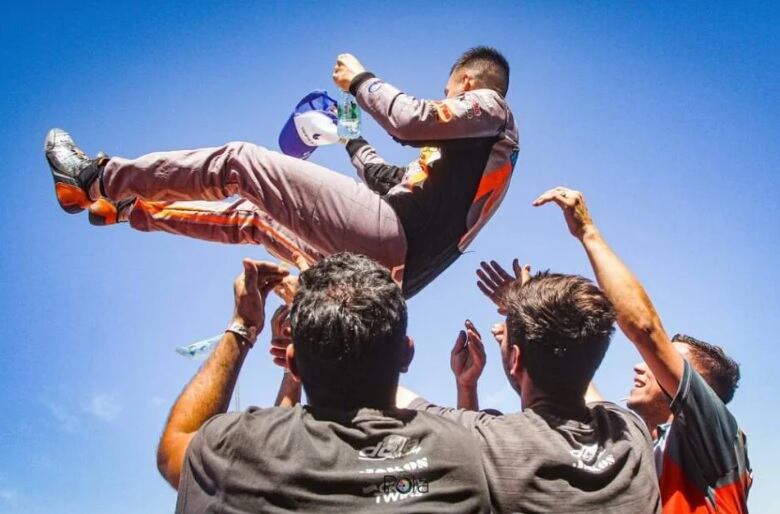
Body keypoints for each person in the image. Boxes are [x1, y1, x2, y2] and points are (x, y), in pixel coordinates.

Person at [44, 47, 518, 298]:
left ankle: (94, 179)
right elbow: (386, 179)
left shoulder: (492, 109)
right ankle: (130, 211)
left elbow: (411, 120)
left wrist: (360, 79)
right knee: (254, 221)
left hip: (390, 240)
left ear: (467, 84)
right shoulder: (462, 173)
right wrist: (347, 136)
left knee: (240, 162)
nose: (448, 99)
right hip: (386, 281)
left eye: (449, 90)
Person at [157, 252, 492, 513]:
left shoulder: (237, 455)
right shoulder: (462, 452)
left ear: (292, 363)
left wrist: (244, 324)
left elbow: (175, 446)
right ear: (407, 354)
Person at [531, 186, 752, 513]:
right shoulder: (647, 450)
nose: (640, 366)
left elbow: (646, 331)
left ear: (698, 392)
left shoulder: (717, 441)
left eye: (662, 363)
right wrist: (528, 317)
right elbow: (582, 390)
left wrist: (587, 232)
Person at [397, 265, 662, 511]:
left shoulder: (500, 445)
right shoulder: (629, 431)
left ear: (515, 358)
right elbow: (575, 358)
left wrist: (390, 333)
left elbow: (394, 391)